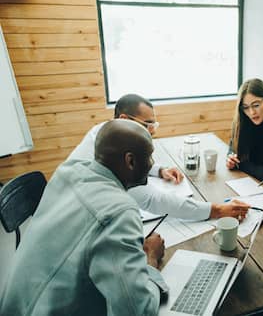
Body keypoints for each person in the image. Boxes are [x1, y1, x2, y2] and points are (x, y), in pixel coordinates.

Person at [1, 120, 166, 315]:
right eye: (149, 158)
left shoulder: (69, 171)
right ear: (130, 161)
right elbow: (137, 311)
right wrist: (150, 260)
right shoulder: (119, 212)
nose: (152, 164)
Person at [69, 94, 249, 221]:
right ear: (124, 118)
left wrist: (159, 170)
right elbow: (153, 200)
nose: (151, 131)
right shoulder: (110, 152)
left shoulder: (104, 131)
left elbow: (132, 164)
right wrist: (217, 210)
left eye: (153, 124)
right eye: (147, 124)